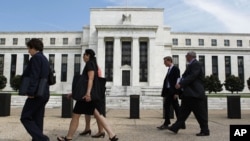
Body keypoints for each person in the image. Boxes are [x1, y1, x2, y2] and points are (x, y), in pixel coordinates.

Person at [57, 49, 118, 141]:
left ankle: (68, 137)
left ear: (88, 55)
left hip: (86, 97)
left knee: (76, 115)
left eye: (84, 55)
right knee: (98, 114)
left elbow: (90, 79)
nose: (83, 57)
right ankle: (112, 135)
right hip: (89, 95)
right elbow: (85, 82)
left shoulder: (89, 64)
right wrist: (74, 93)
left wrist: (88, 94)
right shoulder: (94, 64)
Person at [168, 51, 210, 136]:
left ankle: (205, 130)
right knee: (183, 113)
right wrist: (180, 81)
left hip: (195, 93)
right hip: (189, 94)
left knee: (200, 114)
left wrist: (181, 84)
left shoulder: (196, 64)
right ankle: (175, 127)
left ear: (190, 56)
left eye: (186, 56)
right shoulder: (191, 65)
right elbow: (185, 76)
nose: (185, 57)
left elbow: (192, 76)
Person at [20, 38, 50, 141]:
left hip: (36, 93)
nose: (28, 51)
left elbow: (34, 76)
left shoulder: (36, 58)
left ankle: (42, 139)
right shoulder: (45, 59)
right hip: (44, 92)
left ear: (33, 48)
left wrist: (31, 92)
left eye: (29, 48)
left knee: (25, 117)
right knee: (38, 119)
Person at [157, 56, 185, 130]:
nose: (164, 63)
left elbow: (178, 80)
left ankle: (177, 123)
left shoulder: (175, 69)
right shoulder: (169, 69)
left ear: (169, 61)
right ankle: (175, 123)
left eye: (165, 61)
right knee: (170, 106)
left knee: (175, 107)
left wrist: (177, 93)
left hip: (173, 91)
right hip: (169, 91)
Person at [78, 66, 105, 138]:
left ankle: (101, 130)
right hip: (91, 91)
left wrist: (89, 92)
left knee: (96, 112)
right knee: (87, 111)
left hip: (93, 92)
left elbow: (94, 80)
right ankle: (87, 128)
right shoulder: (94, 67)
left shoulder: (93, 67)